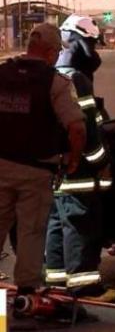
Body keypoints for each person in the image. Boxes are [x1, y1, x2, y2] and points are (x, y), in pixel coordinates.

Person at [0, 23, 86, 296]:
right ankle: (26, 293)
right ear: (50, 52)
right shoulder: (56, 82)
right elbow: (77, 127)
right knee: (31, 233)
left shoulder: (1, 73)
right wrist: (73, 159)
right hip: (35, 173)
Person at [44, 14, 114, 300]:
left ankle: (57, 285)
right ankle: (85, 286)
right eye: (90, 43)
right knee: (81, 226)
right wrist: (102, 163)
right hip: (80, 172)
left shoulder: (52, 76)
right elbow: (87, 131)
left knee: (58, 225)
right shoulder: (76, 79)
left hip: (55, 171)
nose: (94, 51)